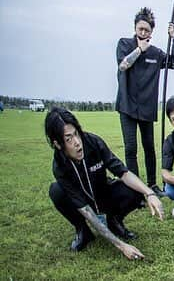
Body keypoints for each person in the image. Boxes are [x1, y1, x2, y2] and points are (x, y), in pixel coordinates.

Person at [46, 107, 165, 260]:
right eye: (68, 139)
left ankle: (114, 221)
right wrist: (121, 246)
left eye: (76, 134)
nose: (77, 142)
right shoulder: (59, 166)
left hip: (103, 194)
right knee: (56, 191)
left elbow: (124, 172)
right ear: (57, 144)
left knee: (134, 188)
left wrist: (150, 193)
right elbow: (85, 210)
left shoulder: (93, 142)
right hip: (83, 203)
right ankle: (83, 231)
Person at [116, 7, 174, 195]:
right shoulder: (124, 44)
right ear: (135, 28)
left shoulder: (156, 53)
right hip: (127, 105)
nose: (143, 33)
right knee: (131, 148)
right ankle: (137, 190)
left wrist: (173, 38)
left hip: (147, 107)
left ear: (152, 32)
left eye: (147, 30)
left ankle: (152, 184)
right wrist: (139, 50)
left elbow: (173, 61)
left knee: (149, 147)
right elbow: (123, 65)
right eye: (140, 29)